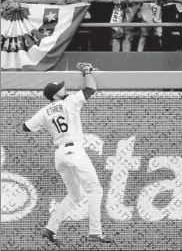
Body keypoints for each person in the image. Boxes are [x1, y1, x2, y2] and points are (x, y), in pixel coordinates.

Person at [13, 64, 113, 247]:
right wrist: (87, 72)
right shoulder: (70, 102)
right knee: (95, 190)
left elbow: (25, 127)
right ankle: (95, 232)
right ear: (55, 95)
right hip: (75, 151)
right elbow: (91, 88)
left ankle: (50, 228)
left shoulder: (44, 112)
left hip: (60, 155)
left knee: (75, 196)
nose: (64, 88)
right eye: (60, 88)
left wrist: (15, 123)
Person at [57, 0, 144, 51]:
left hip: (99, 1)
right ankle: (72, 55)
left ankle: (100, 57)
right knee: (73, 30)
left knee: (100, 33)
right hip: (77, 0)